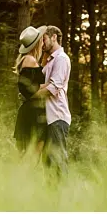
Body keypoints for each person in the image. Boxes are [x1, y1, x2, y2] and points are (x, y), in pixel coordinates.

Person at [34, 25, 71, 176]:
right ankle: (52, 197)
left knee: (58, 160)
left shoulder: (61, 59)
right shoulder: (49, 62)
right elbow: (41, 84)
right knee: (47, 163)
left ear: (54, 37)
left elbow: (53, 88)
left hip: (57, 116)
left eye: (44, 39)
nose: (42, 44)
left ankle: (65, 196)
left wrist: (32, 94)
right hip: (48, 119)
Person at [13, 25, 49, 156]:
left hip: (31, 111)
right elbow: (32, 89)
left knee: (29, 156)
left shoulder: (28, 60)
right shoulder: (30, 60)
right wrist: (53, 84)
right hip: (32, 113)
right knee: (32, 156)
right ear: (37, 43)